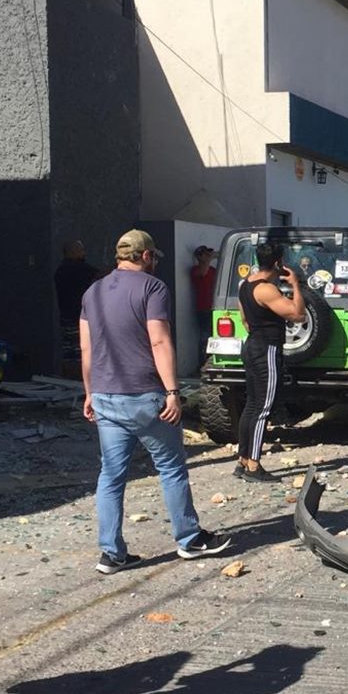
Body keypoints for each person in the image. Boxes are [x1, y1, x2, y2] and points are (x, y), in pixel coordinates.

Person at [80, 230, 232, 574]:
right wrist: (173, 392)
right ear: (146, 255)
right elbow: (160, 342)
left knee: (111, 475)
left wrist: (89, 392)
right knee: (171, 468)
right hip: (146, 395)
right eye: (155, 257)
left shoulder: (93, 292)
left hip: (105, 396)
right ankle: (190, 539)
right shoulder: (152, 288)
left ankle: (111, 553)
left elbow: (86, 348)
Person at [236, 241, 307, 482]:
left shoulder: (246, 284)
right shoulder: (266, 289)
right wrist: (295, 285)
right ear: (278, 262)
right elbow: (297, 314)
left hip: (252, 344)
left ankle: (243, 459)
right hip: (266, 348)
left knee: (252, 405)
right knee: (264, 407)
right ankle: (254, 466)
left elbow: (244, 319)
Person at [54, 241, 99, 379]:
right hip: (79, 317)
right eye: (81, 250)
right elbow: (98, 274)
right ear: (72, 252)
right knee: (82, 351)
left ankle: (69, 380)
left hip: (66, 316)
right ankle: (81, 381)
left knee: (69, 352)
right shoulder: (79, 269)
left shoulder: (60, 270)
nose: (84, 253)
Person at [190, 245, 218, 364]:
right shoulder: (195, 270)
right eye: (205, 255)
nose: (208, 257)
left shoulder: (212, 270)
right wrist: (208, 259)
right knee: (205, 336)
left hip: (214, 306)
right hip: (203, 307)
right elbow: (202, 273)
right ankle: (203, 362)